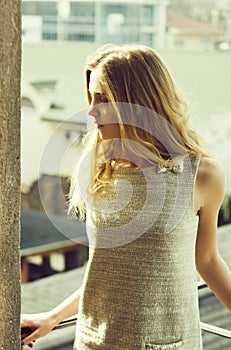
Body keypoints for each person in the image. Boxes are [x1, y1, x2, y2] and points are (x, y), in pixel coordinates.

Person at [21, 44, 231, 350]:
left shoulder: (202, 176)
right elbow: (108, 272)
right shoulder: (98, 170)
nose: (91, 110)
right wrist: (53, 316)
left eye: (103, 99)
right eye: (90, 98)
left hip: (168, 343)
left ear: (137, 101)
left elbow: (208, 260)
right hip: (94, 342)